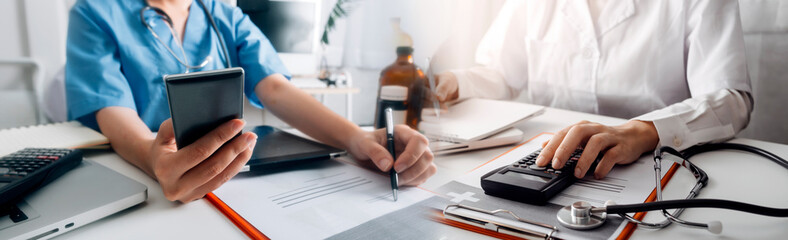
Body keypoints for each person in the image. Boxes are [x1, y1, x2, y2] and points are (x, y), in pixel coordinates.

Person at [65, 0, 436, 202]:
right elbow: (111, 109)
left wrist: (357, 138)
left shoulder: (223, 13)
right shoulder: (94, 12)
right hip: (141, 170)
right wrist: (151, 155)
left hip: (231, 175)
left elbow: (274, 89)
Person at [433, 0, 752, 179]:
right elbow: (501, 72)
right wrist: (455, 83)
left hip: (653, 162)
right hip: (546, 160)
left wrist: (644, 130)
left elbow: (730, 99)